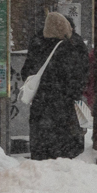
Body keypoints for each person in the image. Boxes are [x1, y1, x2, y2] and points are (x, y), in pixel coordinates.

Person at [18, 12, 91, 161]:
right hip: (67, 107)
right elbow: (82, 76)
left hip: (41, 106)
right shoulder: (75, 45)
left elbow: (26, 72)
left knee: (42, 152)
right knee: (68, 153)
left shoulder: (38, 43)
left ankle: (42, 173)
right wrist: (73, 92)